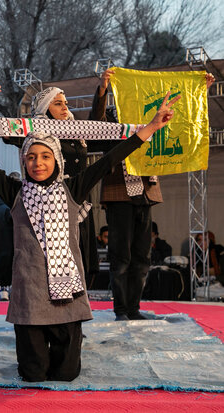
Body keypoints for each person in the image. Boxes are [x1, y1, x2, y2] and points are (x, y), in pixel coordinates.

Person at [0, 71, 179, 382]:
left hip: (67, 300)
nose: (38, 163)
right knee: (33, 374)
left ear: (57, 161)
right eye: (32, 157)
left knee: (66, 374)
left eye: (46, 156)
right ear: (24, 162)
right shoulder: (15, 192)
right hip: (30, 298)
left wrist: (152, 127)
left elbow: (110, 159)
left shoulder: (73, 189)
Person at [91, 71, 214, 321]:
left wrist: (201, 91)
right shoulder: (114, 119)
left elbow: (183, 120)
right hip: (119, 192)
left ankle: (134, 308)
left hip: (146, 192)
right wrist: (103, 89)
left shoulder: (150, 119)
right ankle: (122, 309)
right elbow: (96, 121)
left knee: (142, 256)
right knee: (121, 256)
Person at [30, 85, 101, 284]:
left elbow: (98, 125)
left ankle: (79, 302)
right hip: (55, 202)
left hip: (79, 199)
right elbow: (12, 136)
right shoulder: (37, 131)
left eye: (66, 104)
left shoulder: (75, 129)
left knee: (80, 252)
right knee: (60, 256)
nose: (64, 108)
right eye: (58, 103)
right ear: (45, 107)